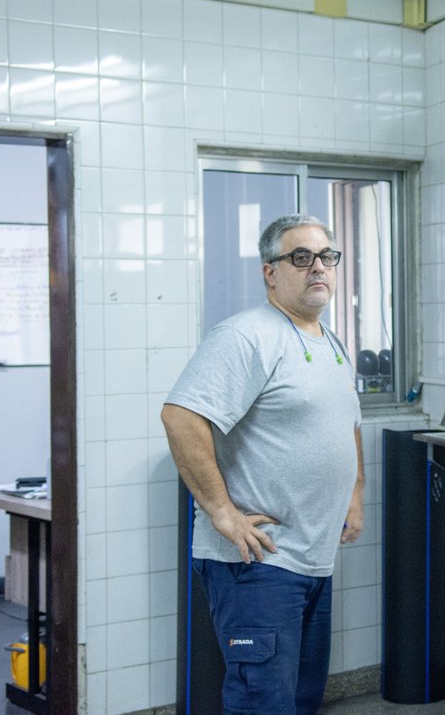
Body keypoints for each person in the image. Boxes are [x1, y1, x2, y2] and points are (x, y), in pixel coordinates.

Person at [161, 214, 364, 714]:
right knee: (263, 704)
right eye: (300, 257)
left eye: (326, 256)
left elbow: (347, 425)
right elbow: (181, 417)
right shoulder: (247, 336)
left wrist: (354, 493)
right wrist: (222, 512)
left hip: (314, 559)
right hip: (260, 564)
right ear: (270, 271)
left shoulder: (330, 343)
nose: (317, 266)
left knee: (301, 697)